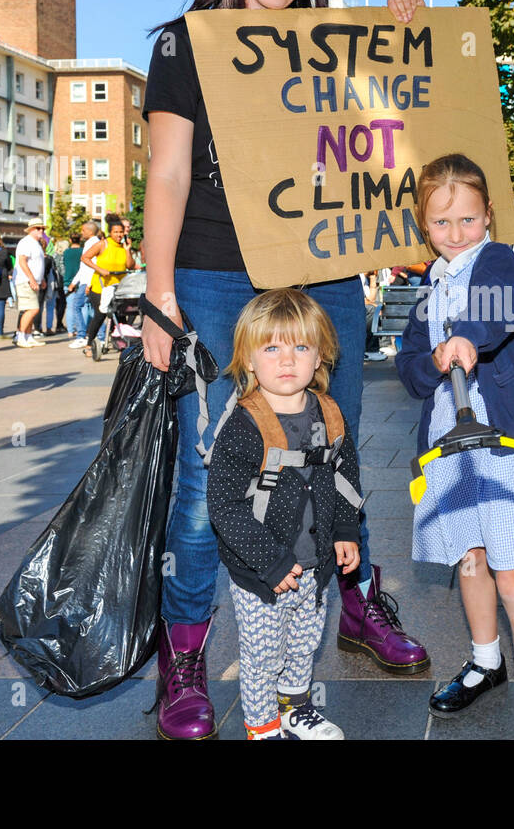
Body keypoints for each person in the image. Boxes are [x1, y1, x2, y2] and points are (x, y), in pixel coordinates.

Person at [137, 0, 430, 739]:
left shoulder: (332, 45)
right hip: (216, 277)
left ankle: (355, 602)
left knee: (331, 449)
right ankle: (185, 654)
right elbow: (167, 173)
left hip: (325, 277)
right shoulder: (182, 44)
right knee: (207, 473)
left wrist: (402, 27)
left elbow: (389, 129)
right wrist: (160, 297)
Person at [396, 154, 514, 740]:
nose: (456, 234)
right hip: (450, 449)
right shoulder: (430, 280)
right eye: (442, 224)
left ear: (489, 216)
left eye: (468, 220)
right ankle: (486, 661)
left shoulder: (499, 261)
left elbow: (496, 313)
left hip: (501, 447)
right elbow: (411, 365)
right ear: (425, 226)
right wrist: (430, 360)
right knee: (469, 559)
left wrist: (466, 339)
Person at [207, 288, 360, 739]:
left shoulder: (329, 412)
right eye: (272, 348)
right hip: (262, 571)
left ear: (320, 358)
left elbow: (346, 476)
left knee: (304, 643)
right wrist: (269, 562)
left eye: (300, 347)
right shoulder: (244, 424)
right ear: (249, 361)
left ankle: (294, 707)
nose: (287, 360)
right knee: (261, 654)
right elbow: (225, 506)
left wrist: (347, 530)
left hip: (316, 565)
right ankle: (263, 726)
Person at [80, 218, 136, 361]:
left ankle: (120, 341)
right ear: (110, 233)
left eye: (121, 232)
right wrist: (100, 269)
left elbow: (130, 265)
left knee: (120, 316)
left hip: (118, 288)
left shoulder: (123, 247)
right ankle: (88, 344)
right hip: (100, 287)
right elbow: (85, 258)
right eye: (115, 232)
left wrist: (128, 250)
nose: (118, 235)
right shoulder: (103, 244)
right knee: (100, 314)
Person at [13, 221, 48, 348]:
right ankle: (21, 336)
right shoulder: (26, 242)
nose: (41, 231)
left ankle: (28, 336)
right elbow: (22, 261)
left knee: (31, 309)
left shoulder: (36, 244)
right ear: (31, 229)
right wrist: (32, 278)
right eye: (38, 228)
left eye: (42, 229)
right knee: (32, 309)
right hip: (25, 281)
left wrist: (41, 278)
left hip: (34, 281)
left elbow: (38, 263)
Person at [66, 221, 100, 349]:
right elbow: (84, 266)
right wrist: (74, 282)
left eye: (83, 230)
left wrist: (89, 284)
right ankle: (97, 336)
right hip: (85, 281)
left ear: (90, 231)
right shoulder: (89, 243)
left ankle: (81, 336)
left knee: (77, 306)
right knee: (96, 309)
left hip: (88, 282)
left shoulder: (94, 243)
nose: (82, 233)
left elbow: (94, 265)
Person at [62, 232, 86, 347]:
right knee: (83, 307)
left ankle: (70, 330)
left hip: (68, 281)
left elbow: (63, 266)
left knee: (70, 307)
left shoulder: (66, 252)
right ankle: (84, 328)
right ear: (80, 240)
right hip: (81, 281)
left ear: (70, 240)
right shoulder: (83, 251)